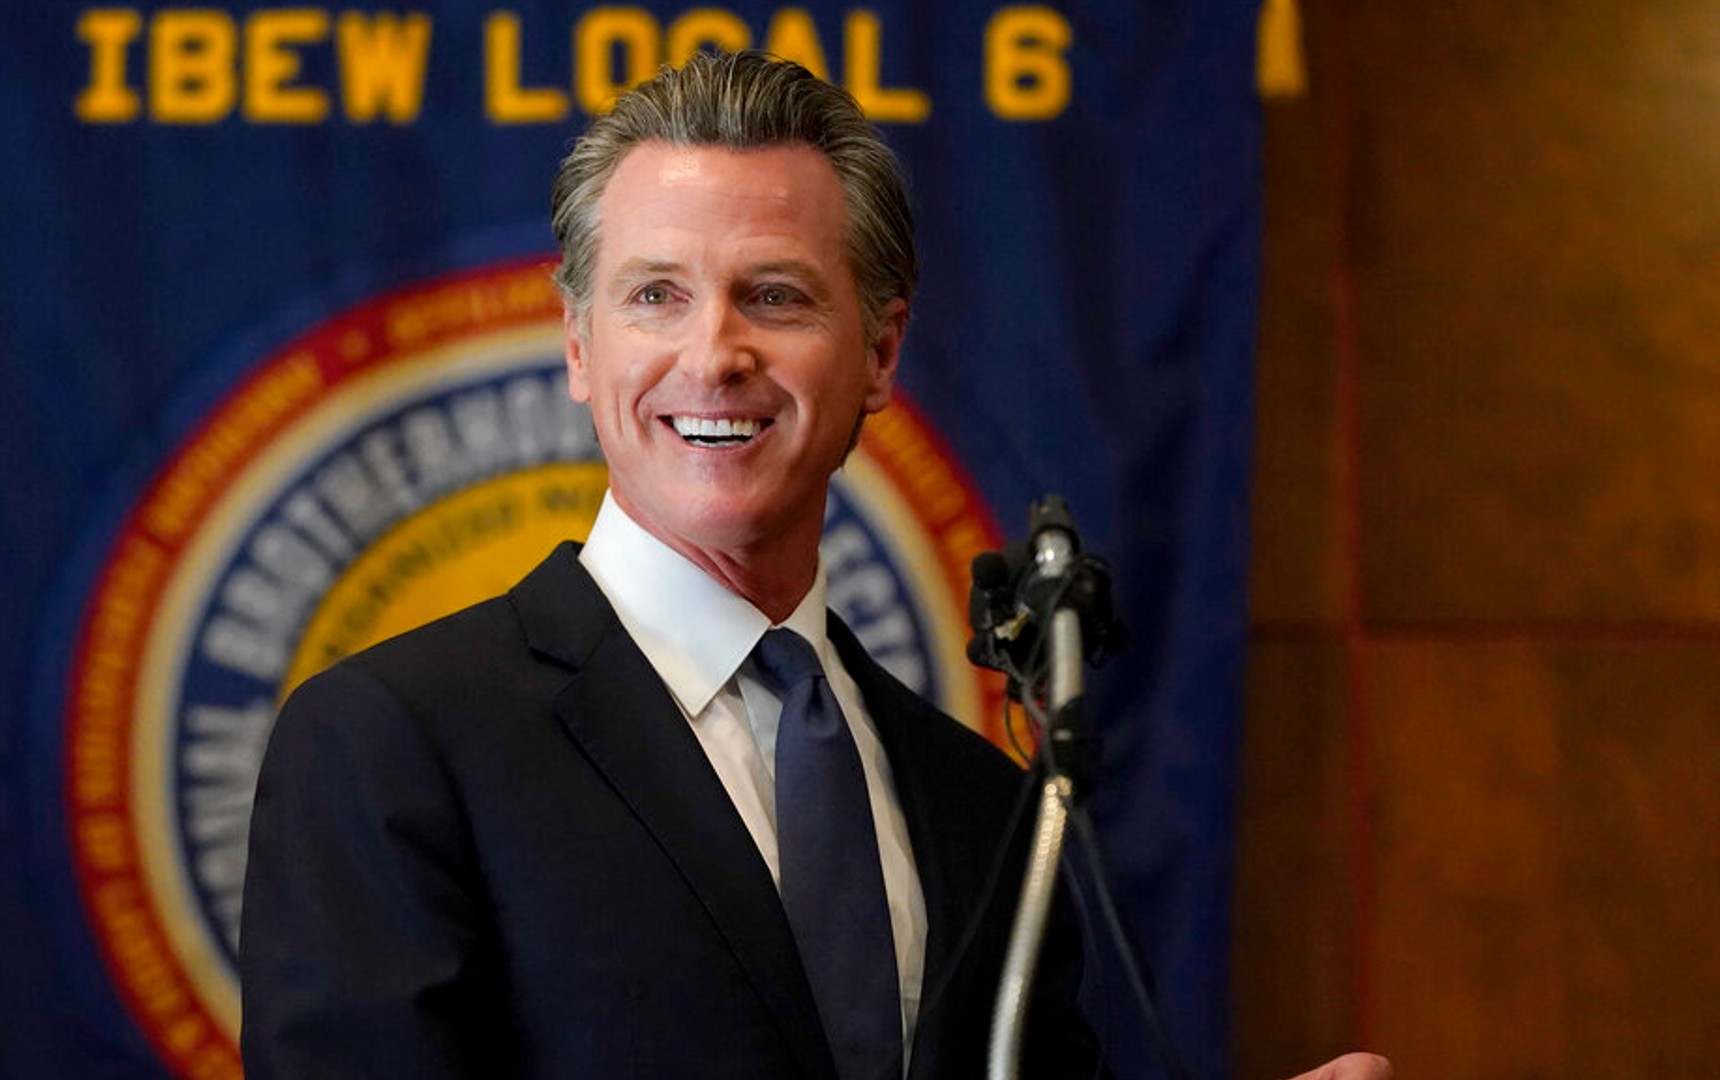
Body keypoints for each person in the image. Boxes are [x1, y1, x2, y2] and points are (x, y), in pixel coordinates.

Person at [239, 50, 1391, 1080]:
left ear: (881, 352)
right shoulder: (391, 744)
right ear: (581, 348)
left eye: (775, 296)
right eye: (656, 296)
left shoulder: (981, 806)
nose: (715, 354)